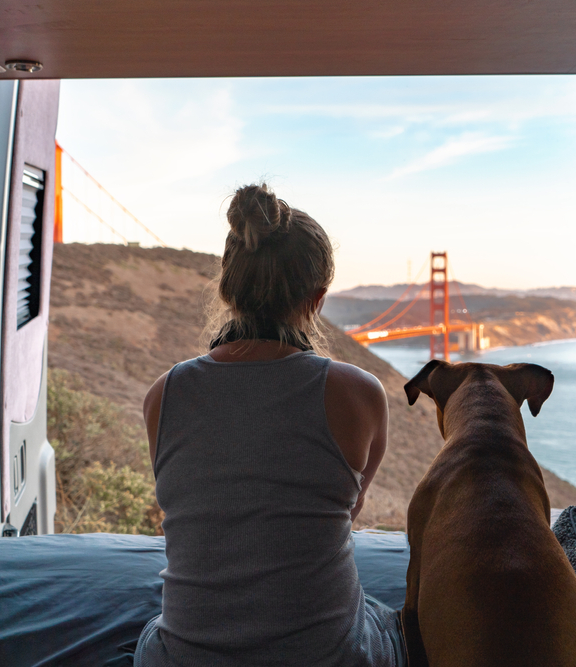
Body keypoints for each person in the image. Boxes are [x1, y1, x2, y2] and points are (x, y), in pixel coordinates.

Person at [134, 184, 405, 667]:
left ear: (226, 288)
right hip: (331, 658)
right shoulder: (361, 395)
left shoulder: (164, 394)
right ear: (317, 300)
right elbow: (347, 514)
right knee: (392, 621)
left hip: (180, 660)